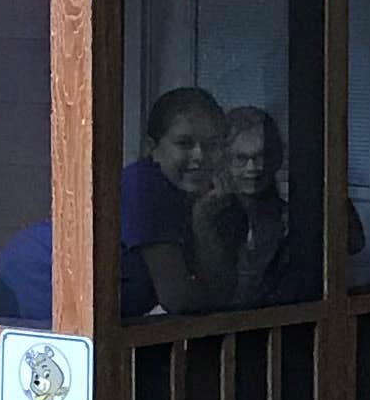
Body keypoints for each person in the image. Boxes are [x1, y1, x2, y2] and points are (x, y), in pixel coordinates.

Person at [116, 87, 225, 320]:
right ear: (150, 148)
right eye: (184, 143)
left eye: (212, 144)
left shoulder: (194, 195)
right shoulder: (145, 186)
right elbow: (178, 299)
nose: (200, 155)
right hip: (39, 307)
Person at [197, 105, 297, 307]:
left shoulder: (288, 217)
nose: (253, 169)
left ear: (276, 158)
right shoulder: (205, 212)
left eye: (261, 157)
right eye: (241, 159)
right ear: (224, 161)